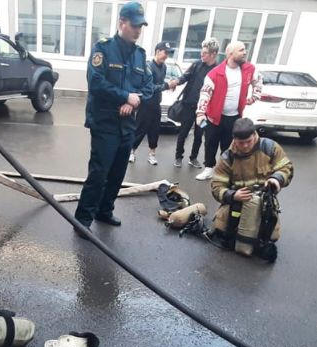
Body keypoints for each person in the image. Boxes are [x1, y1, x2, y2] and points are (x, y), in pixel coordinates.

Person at [74, 1, 153, 236]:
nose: (138, 30)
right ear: (122, 23)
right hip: (105, 123)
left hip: (127, 125)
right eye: (135, 25)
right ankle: (83, 220)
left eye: (141, 26)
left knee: (118, 173)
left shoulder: (140, 55)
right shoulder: (103, 49)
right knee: (99, 173)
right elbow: (96, 82)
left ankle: (104, 211)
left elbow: (148, 86)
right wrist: (124, 97)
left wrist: (134, 99)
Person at [209, 118, 293, 253]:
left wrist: (276, 180)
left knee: (272, 236)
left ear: (254, 135)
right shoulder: (227, 157)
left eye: (249, 141)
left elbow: (286, 167)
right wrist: (233, 195)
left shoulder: (270, 147)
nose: (246, 146)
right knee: (220, 229)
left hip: (264, 203)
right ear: (234, 139)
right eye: (241, 143)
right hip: (236, 204)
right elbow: (217, 186)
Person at [195, 41, 263, 181]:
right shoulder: (215, 73)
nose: (245, 52)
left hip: (235, 116)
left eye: (245, 50)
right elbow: (205, 93)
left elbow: (258, 81)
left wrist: (254, 96)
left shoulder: (249, 69)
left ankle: (225, 170)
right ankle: (208, 169)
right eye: (241, 50)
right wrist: (201, 113)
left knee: (230, 145)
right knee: (210, 143)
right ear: (230, 54)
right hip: (215, 116)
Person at [172, 37, 219, 168]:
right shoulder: (196, 64)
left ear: (213, 54)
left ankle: (193, 158)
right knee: (183, 132)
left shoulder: (217, 70)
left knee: (199, 134)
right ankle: (178, 157)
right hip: (189, 106)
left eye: (204, 53)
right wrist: (176, 81)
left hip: (204, 111)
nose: (201, 55)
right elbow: (185, 76)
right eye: (201, 52)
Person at [130, 41, 177, 166]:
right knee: (139, 129)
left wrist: (169, 84)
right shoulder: (148, 67)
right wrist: (167, 86)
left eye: (168, 53)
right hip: (146, 103)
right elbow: (150, 87)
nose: (166, 55)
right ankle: (132, 152)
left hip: (156, 104)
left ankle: (152, 154)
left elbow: (161, 83)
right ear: (157, 51)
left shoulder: (164, 67)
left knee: (154, 130)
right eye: (165, 52)